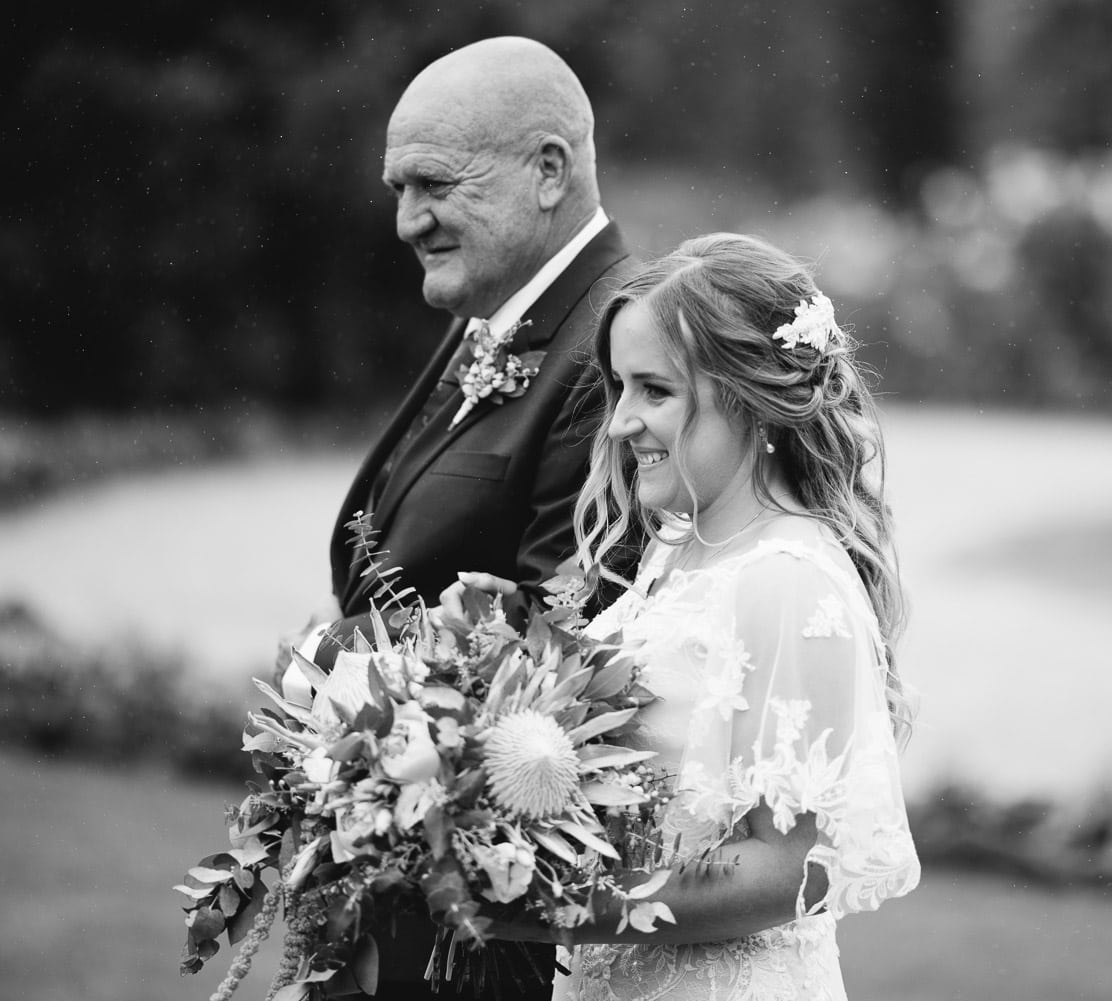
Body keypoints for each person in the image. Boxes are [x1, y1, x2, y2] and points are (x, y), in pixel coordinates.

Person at [447, 233, 921, 1001]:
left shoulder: (789, 580)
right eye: (619, 387)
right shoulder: (678, 550)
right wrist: (512, 655)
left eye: (654, 391)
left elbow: (795, 865)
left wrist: (556, 904)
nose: (619, 423)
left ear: (748, 395)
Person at [286, 35, 639, 1001]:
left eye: (433, 183)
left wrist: (345, 687)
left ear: (548, 171)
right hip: (405, 879)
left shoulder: (620, 343)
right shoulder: (490, 318)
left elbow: (560, 651)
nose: (406, 221)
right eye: (398, 188)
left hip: (492, 933)